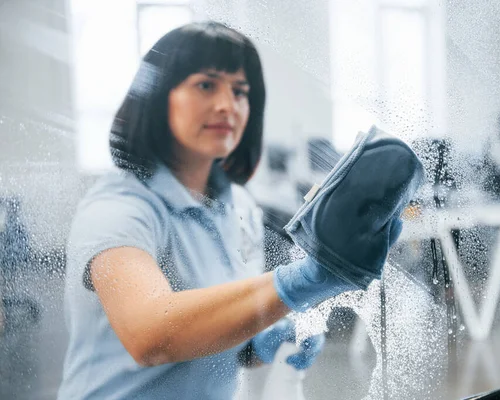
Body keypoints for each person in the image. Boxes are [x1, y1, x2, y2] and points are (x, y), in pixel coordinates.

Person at [57, 22, 403, 400]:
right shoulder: (119, 206)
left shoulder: (236, 208)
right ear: (157, 97)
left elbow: (219, 339)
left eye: (240, 92)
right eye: (206, 85)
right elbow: (150, 335)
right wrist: (302, 281)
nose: (228, 105)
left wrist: (263, 340)